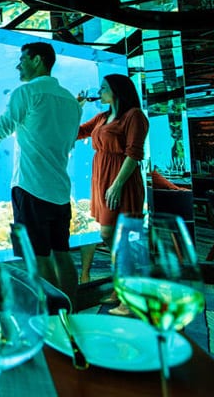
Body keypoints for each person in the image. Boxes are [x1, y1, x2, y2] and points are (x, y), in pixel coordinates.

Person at [0, 41, 81, 305]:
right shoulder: (71, 101)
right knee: (62, 254)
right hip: (60, 190)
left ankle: (49, 320)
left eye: (22, 59)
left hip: (31, 187)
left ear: (38, 60)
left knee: (36, 257)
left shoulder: (26, 93)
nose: (18, 65)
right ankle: (72, 312)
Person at [77, 73, 149, 315]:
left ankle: (130, 299)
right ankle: (121, 288)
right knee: (111, 237)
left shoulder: (134, 116)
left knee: (118, 236)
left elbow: (134, 153)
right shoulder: (103, 117)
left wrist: (117, 185)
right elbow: (77, 133)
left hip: (122, 180)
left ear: (117, 90)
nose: (100, 91)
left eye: (104, 87)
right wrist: (76, 107)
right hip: (101, 179)